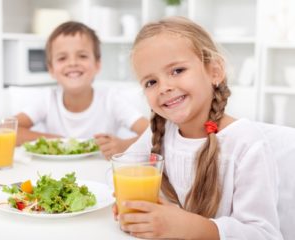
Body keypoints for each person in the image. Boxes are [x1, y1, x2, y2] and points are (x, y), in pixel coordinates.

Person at [113, 17, 283, 240]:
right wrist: (128, 201)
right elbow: (119, 170)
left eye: (177, 70)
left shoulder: (245, 144)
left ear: (214, 71)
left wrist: (184, 226)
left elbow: (263, 234)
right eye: (151, 82)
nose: (164, 87)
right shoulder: (161, 132)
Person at [15, 21, 149, 159]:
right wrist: (57, 141)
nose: (72, 63)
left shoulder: (111, 99)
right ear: (51, 69)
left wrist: (124, 146)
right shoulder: (47, 99)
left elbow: (154, 134)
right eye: (62, 58)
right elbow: (8, 129)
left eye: (82, 56)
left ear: (97, 64)